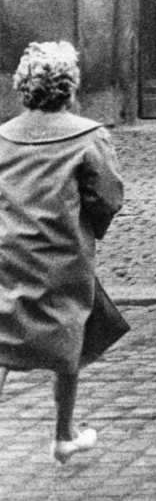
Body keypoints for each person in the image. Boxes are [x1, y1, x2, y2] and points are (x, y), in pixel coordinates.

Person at [0, 41, 126, 462]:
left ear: (24, 87)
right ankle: (63, 433)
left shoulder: (3, 136)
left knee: (2, 332)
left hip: (9, 252)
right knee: (70, 332)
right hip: (62, 254)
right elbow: (107, 196)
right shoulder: (88, 136)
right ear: (70, 87)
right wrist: (94, 225)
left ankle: (63, 433)